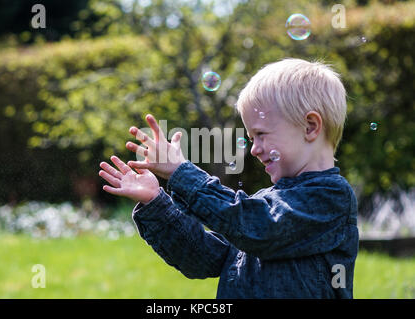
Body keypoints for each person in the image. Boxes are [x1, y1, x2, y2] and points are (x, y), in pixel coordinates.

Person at [98, 58, 359, 298]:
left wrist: (181, 173)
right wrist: (156, 204)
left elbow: (258, 228)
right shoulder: (264, 203)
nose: (254, 149)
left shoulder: (331, 197)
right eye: (250, 138)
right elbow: (205, 259)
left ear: (310, 127)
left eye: (261, 134)